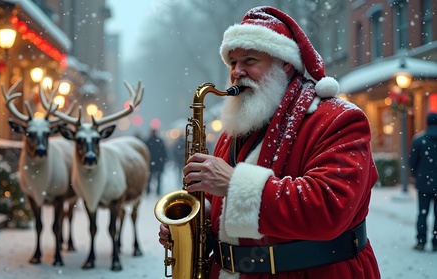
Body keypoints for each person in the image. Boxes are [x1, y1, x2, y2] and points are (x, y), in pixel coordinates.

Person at [158, 6, 381, 278]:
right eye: (232, 63)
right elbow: (231, 205)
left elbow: (330, 208)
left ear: (284, 63)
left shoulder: (340, 119)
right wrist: (197, 223)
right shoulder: (237, 127)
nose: (237, 72)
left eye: (249, 60)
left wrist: (233, 183)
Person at [409, 112, 437, 252]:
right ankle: (436, 242)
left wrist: (418, 175)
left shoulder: (420, 140)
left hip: (424, 183)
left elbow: (412, 161)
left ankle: (421, 241)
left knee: (422, 213)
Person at [145, 128, 168, 195]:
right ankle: (158, 190)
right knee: (159, 178)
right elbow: (164, 151)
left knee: (149, 177)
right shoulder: (160, 141)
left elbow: (146, 151)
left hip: (150, 161)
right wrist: (164, 160)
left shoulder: (148, 141)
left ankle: (148, 190)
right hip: (159, 162)